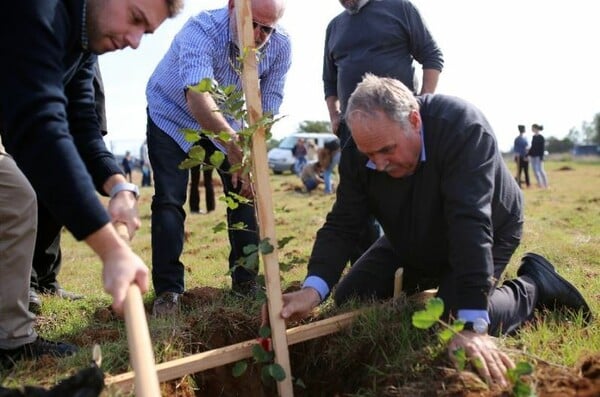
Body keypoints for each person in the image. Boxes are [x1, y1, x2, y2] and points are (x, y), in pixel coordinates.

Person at [274, 74, 592, 386]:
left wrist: (470, 324)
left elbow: (471, 224)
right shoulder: (360, 151)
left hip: (488, 229)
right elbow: (343, 223)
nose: (379, 164)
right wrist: (312, 290)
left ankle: (534, 285)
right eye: (369, 155)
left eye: (386, 150)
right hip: (410, 233)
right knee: (349, 299)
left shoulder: (463, 128)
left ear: (414, 120)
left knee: (452, 325)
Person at [0, 0, 182, 365]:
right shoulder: (39, 10)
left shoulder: (83, 43)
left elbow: (80, 121)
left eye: (144, 33)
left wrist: (119, 186)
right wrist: (112, 251)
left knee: (15, 197)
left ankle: (10, 341)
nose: (134, 42)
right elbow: (39, 128)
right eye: (134, 19)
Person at [145, 0, 291, 316]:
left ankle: (246, 283)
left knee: (244, 196)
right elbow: (197, 94)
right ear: (232, 7)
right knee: (169, 199)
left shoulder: (280, 47)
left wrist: (249, 153)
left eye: (267, 28)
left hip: (230, 128)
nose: (258, 34)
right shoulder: (201, 29)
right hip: (172, 116)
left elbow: (267, 105)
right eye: (252, 23)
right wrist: (232, 143)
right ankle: (168, 292)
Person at [323, 0, 444, 263]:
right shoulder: (335, 26)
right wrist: (334, 115)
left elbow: (432, 57)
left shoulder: (400, 8)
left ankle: (415, 261)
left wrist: (425, 102)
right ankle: (366, 266)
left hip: (397, 129)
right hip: (353, 131)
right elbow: (329, 80)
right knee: (358, 201)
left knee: (407, 197)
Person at [28, 59, 109, 314]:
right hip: (33, 113)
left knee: (55, 202)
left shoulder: (87, 41)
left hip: (71, 115)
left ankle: (46, 280)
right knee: (26, 198)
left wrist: (97, 127)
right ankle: (26, 283)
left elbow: (89, 81)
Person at [529, 123, 548, 188]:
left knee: (540, 170)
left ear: (536, 128)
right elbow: (532, 147)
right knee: (534, 171)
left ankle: (546, 185)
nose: (531, 129)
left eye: (532, 128)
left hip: (538, 157)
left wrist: (541, 157)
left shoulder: (541, 137)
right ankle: (540, 184)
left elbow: (542, 148)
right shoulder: (533, 137)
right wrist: (528, 155)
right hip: (533, 157)